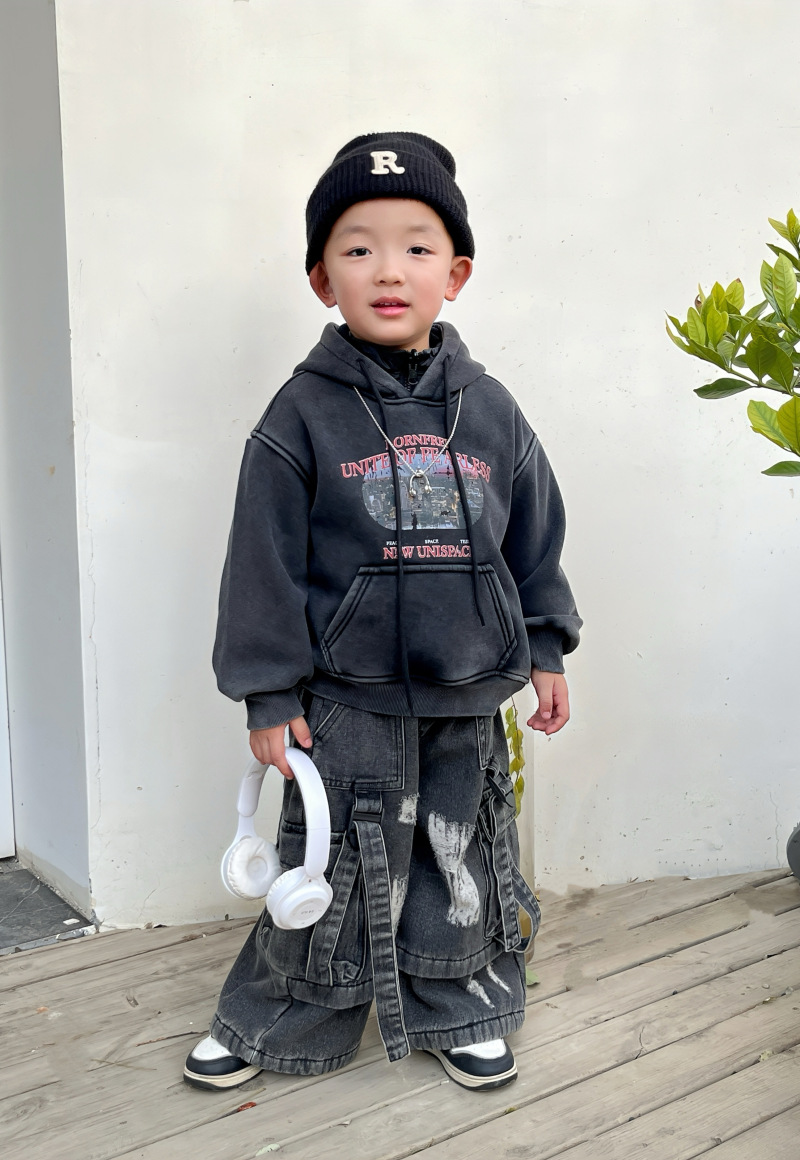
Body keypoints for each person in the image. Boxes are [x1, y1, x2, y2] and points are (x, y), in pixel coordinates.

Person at [184, 132, 581, 1093]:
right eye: (358, 249)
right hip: (345, 701)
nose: (389, 270)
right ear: (323, 279)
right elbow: (261, 562)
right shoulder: (299, 415)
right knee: (332, 862)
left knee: (459, 856)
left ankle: (463, 1007)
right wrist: (268, 693)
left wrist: (545, 647)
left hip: (468, 690)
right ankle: (284, 1020)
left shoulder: (492, 410)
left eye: (415, 247)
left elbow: (533, 538)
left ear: (457, 273)